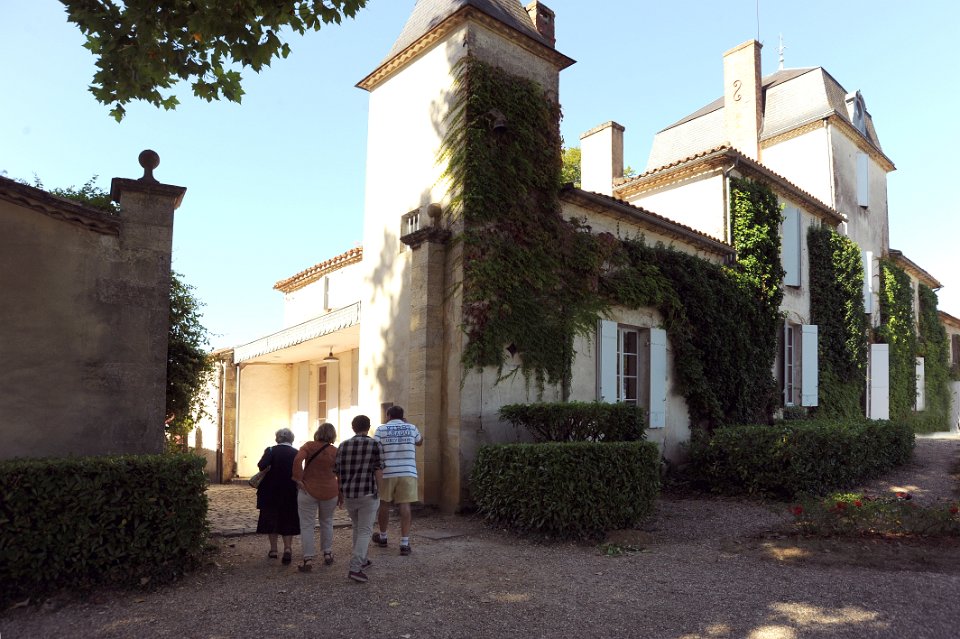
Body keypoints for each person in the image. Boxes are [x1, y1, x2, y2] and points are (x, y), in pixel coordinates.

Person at [334, 414, 384, 583]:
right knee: (365, 530)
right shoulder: (374, 444)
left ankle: (363, 559)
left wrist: (340, 492)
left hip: (349, 493)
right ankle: (355, 567)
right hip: (368, 492)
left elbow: (338, 472)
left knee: (357, 527)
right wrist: (381, 491)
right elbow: (378, 469)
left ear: (353, 427)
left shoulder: (343, 445)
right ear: (368, 427)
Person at [372, 405, 423, 556]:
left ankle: (383, 537)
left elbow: (375, 448)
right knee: (405, 505)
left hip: (387, 472)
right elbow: (420, 442)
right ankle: (404, 543)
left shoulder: (381, 429)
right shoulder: (411, 428)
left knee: (384, 504)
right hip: (408, 471)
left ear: (388, 416)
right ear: (402, 416)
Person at [291, 422, 339, 572]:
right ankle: (327, 552)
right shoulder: (335, 451)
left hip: (308, 489)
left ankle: (308, 558)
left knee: (307, 525)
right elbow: (340, 472)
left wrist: (298, 478)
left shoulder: (309, 446)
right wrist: (341, 492)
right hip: (330, 490)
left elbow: (297, 460)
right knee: (327, 522)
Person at [255, 428, 300, 564]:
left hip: (270, 491)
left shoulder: (270, 450)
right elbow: (298, 471)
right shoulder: (296, 453)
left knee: (271, 520)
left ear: (277, 438)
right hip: (289, 491)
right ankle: (287, 548)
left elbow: (261, 466)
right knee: (288, 519)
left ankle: (274, 550)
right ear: (291, 439)